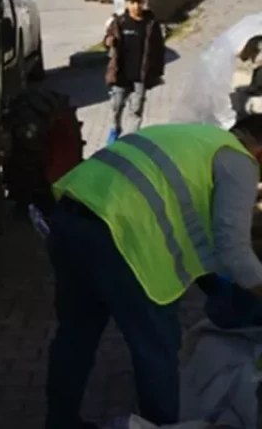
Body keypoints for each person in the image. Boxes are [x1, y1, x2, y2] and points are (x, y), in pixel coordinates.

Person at [45, 118, 262, 429]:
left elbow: (202, 234)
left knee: (76, 335)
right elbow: (236, 252)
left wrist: (221, 289)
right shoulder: (240, 162)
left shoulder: (195, 137)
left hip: (70, 215)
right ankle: (160, 425)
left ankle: (59, 422)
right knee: (156, 347)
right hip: (120, 235)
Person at [104, 0, 166, 144]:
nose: (136, 6)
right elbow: (107, 39)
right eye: (132, 3)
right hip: (121, 74)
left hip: (140, 75)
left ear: (144, 2)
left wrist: (157, 73)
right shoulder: (120, 22)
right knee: (116, 107)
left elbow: (159, 50)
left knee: (136, 110)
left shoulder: (151, 24)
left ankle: (130, 140)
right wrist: (108, 42)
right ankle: (114, 130)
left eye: (139, 2)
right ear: (126, 3)